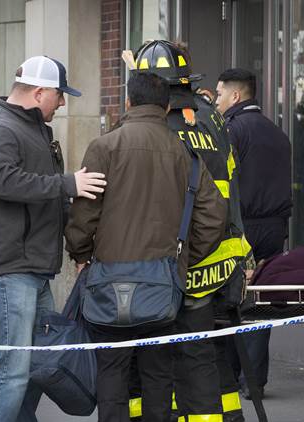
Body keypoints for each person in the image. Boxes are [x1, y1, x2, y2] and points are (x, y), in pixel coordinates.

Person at [65, 72, 228, 422]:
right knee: (158, 374)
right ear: (167, 106)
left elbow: (83, 214)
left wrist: (81, 256)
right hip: (163, 285)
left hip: (108, 281)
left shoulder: (103, 147)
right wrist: (182, 258)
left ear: (127, 103)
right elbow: (214, 216)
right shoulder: (183, 153)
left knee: (111, 373)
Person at [0, 55, 106, 422]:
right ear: (40, 92)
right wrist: (68, 184)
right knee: (12, 370)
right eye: (59, 95)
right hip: (8, 269)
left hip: (27, 268)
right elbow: (2, 181)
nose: (62, 104)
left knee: (32, 368)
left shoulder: (28, 130)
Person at [131, 40, 252, 422]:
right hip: (221, 258)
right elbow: (230, 181)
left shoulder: (156, 123)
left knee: (158, 357)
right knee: (208, 353)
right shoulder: (212, 116)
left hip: (176, 263)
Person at [215, 67, 292, 401]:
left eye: (219, 94)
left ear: (235, 95)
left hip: (241, 228)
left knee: (231, 300)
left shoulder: (231, 131)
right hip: (275, 229)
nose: (215, 100)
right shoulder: (279, 133)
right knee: (261, 304)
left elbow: (224, 184)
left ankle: (230, 376)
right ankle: (255, 380)